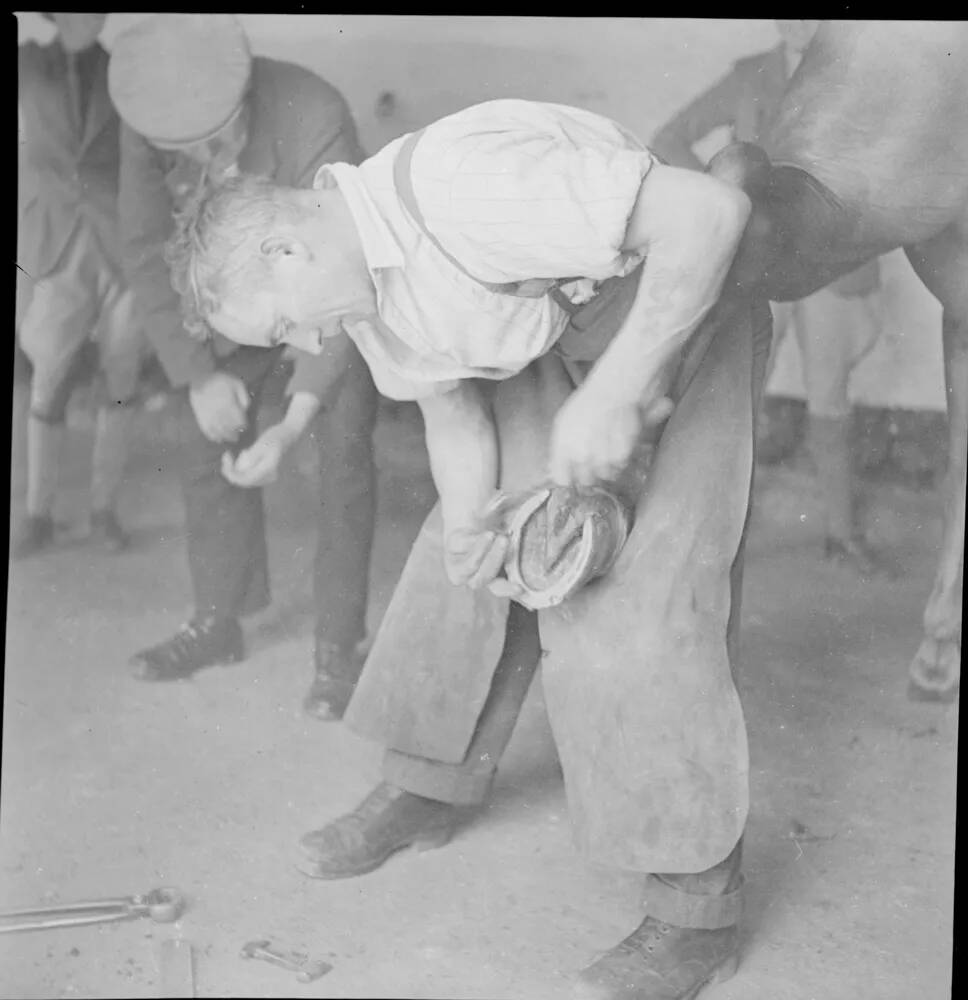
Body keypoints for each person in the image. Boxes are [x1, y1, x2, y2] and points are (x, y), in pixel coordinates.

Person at [166, 97, 770, 999]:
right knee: (470, 561)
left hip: (679, 315)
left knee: (643, 605)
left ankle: (694, 918)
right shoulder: (359, 289)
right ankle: (428, 785)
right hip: (543, 342)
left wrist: (617, 393)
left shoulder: (461, 184)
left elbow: (711, 214)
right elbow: (450, 407)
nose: (310, 344)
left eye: (287, 327)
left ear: (284, 252)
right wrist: (465, 523)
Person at [107, 14, 378, 718]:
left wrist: (294, 418)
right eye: (183, 153)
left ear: (245, 97)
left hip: (322, 301)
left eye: (216, 142)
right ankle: (217, 619)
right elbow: (143, 250)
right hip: (231, 312)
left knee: (341, 448)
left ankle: (339, 646)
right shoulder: (149, 121)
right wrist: (198, 375)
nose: (201, 159)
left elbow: (348, 282)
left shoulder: (315, 111)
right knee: (206, 435)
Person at [652, 19, 886, 575]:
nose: (803, 25)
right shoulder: (749, 76)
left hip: (829, 265)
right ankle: (720, 541)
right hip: (759, 265)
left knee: (830, 401)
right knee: (735, 400)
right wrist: (723, 204)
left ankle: (842, 535)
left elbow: (880, 170)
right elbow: (668, 138)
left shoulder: (855, 77)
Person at [15, 12, 144, 558]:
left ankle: (103, 510)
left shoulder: (125, 73)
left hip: (119, 242)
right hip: (56, 240)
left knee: (122, 377)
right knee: (47, 376)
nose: (89, 19)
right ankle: (37, 514)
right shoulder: (28, 62)